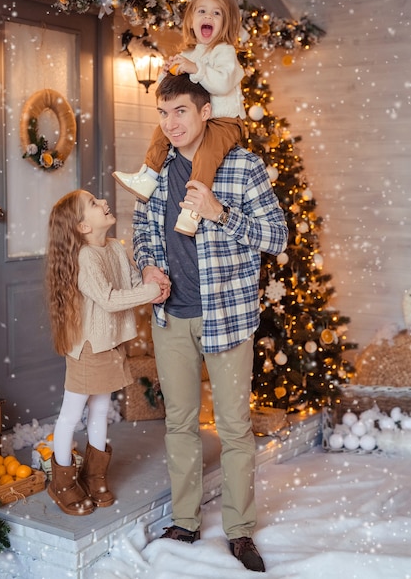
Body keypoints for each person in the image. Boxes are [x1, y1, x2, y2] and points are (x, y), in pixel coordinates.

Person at [132, 73, 288, 572]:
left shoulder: (243, 167)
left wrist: (221, 213)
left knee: (234, 428)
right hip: (170, 315)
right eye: (163, 112)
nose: (171, 123)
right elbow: (141, 229)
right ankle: (186, 520)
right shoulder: (155, 170)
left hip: (227, 315)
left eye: (181, 111)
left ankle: (240, 531)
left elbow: (277, 236)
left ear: (204, 112)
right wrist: (147, 264)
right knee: (179, 425)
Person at [45, 189, 169, 516]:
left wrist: (151, 283)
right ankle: (62, 482)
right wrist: (150, 292)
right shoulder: (85, 257)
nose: (103, 203)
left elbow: (130, 285)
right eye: (94, 204)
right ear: (83, 227)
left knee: (100, 410)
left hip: (111, 344)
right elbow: (110, 299)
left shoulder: (114, 247)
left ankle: (94, 475)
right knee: (72, 414)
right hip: (88, 349)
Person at [114, 0, 246, 237]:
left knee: (206, 154)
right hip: (197, 119)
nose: (208, 16)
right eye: (202, 11)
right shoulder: (189, 53)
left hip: (224, 121)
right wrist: (167, 71)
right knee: (161, 132)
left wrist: (194, 68)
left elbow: (222, 84)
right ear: (192, 21)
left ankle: (193, 210)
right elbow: (173, 91)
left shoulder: (224, 52)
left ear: (225, 23)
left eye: (216, 13)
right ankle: (148, 176)